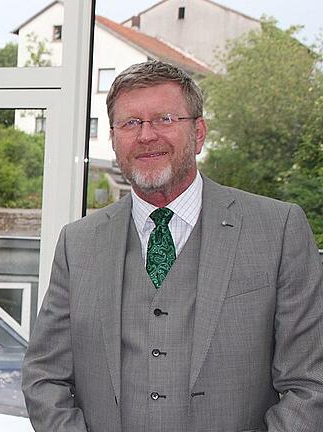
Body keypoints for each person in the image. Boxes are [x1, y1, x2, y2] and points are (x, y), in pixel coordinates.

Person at [22, 60, 323, 431]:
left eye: (165, 119)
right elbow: (44, 377)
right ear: (114, 139)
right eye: (130, 123)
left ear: (198, 133)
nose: (146, 135)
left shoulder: (277, 229)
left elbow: (311, 382)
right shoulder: (78, 242)